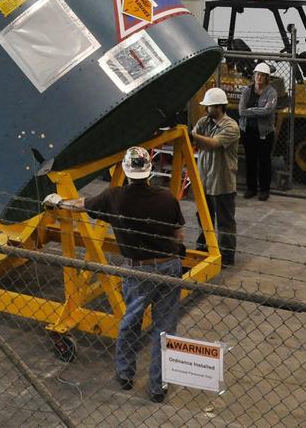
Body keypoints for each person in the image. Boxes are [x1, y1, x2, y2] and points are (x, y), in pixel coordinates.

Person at [44, 147, 185, 404]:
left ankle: (125, 375)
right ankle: (158, 387)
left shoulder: (113, 197)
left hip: (138, 270)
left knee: (131, 322)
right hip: (168, 268)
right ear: (149, 169)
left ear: (125, 170)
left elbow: (80, 206)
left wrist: (58, 202)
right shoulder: (167, 198)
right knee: (165, 330)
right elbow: (179, 235)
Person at [191, 87, 241, 266]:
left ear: (219, 107)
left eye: (209, 106)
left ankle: (227, 257)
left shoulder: (231, 127)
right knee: (204, 217)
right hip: (205, 181)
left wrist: (195, 137)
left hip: (222, 183)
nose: (206, 109)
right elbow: (196, 137)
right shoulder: (205, 121)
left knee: (225, 221)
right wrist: (196, 137)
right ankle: (204, 248)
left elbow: (212, 143)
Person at [238, 62, 278, 201]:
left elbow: (268, 111)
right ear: (254, 75)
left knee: (264, 161)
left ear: (267, 78)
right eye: (257, 74)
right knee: (250, 161)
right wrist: (256, 112)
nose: (259, 77)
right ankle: (251, 189)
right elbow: (241, 111)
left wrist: (250, 111)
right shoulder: (247, 91)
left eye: (262, 75)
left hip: (264, 133)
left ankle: (264, 190)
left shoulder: (271, 92)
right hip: (247, 131)